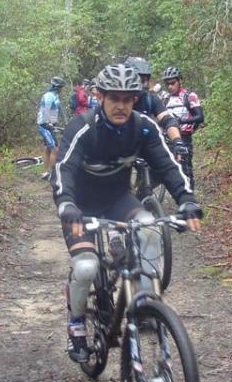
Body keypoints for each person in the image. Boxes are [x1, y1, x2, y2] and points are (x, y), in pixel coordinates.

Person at [51, 64, 203, 363]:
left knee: (149, 227)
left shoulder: (143, 127)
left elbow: (167, 166)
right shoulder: (83, 127)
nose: (121, 106)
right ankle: (76, 322)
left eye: (128, 99)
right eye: (114, 99)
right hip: (80, 206)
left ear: (136, 99)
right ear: (100, 97)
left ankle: (145, 303)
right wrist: (67, 205)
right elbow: (63, 169)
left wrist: (186, 200)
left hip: (118, 199)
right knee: (85, 268)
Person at [124, 57, 188, 162]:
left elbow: (167, 120)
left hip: (145, 147)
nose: (140, 85)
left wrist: (177, 141)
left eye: (143, 81)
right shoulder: (116, 100)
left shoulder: (150, 98)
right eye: (136, 81)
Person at [162, 66, 204, 189]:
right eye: (167, 84)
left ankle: (190, 201)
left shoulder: (189, 96)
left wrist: (181, 121)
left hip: (184, 137)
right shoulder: (165, 99)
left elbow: (200, 117)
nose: (170, 86)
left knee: (185, 170)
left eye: (172, 83)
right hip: (168, 138)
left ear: (180, 81)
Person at [37, 76, 66, 180]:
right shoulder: (49, 96)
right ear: (57, 87)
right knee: (55, 149)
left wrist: (66, 121)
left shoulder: (55, 96)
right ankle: (54, 175)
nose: (62, 90)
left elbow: (60, 110)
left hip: (50, 124)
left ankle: (45, 173)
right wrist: (48, 122)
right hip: (45, 125)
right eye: (61, 87)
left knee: (47, 148)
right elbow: (46, 110)